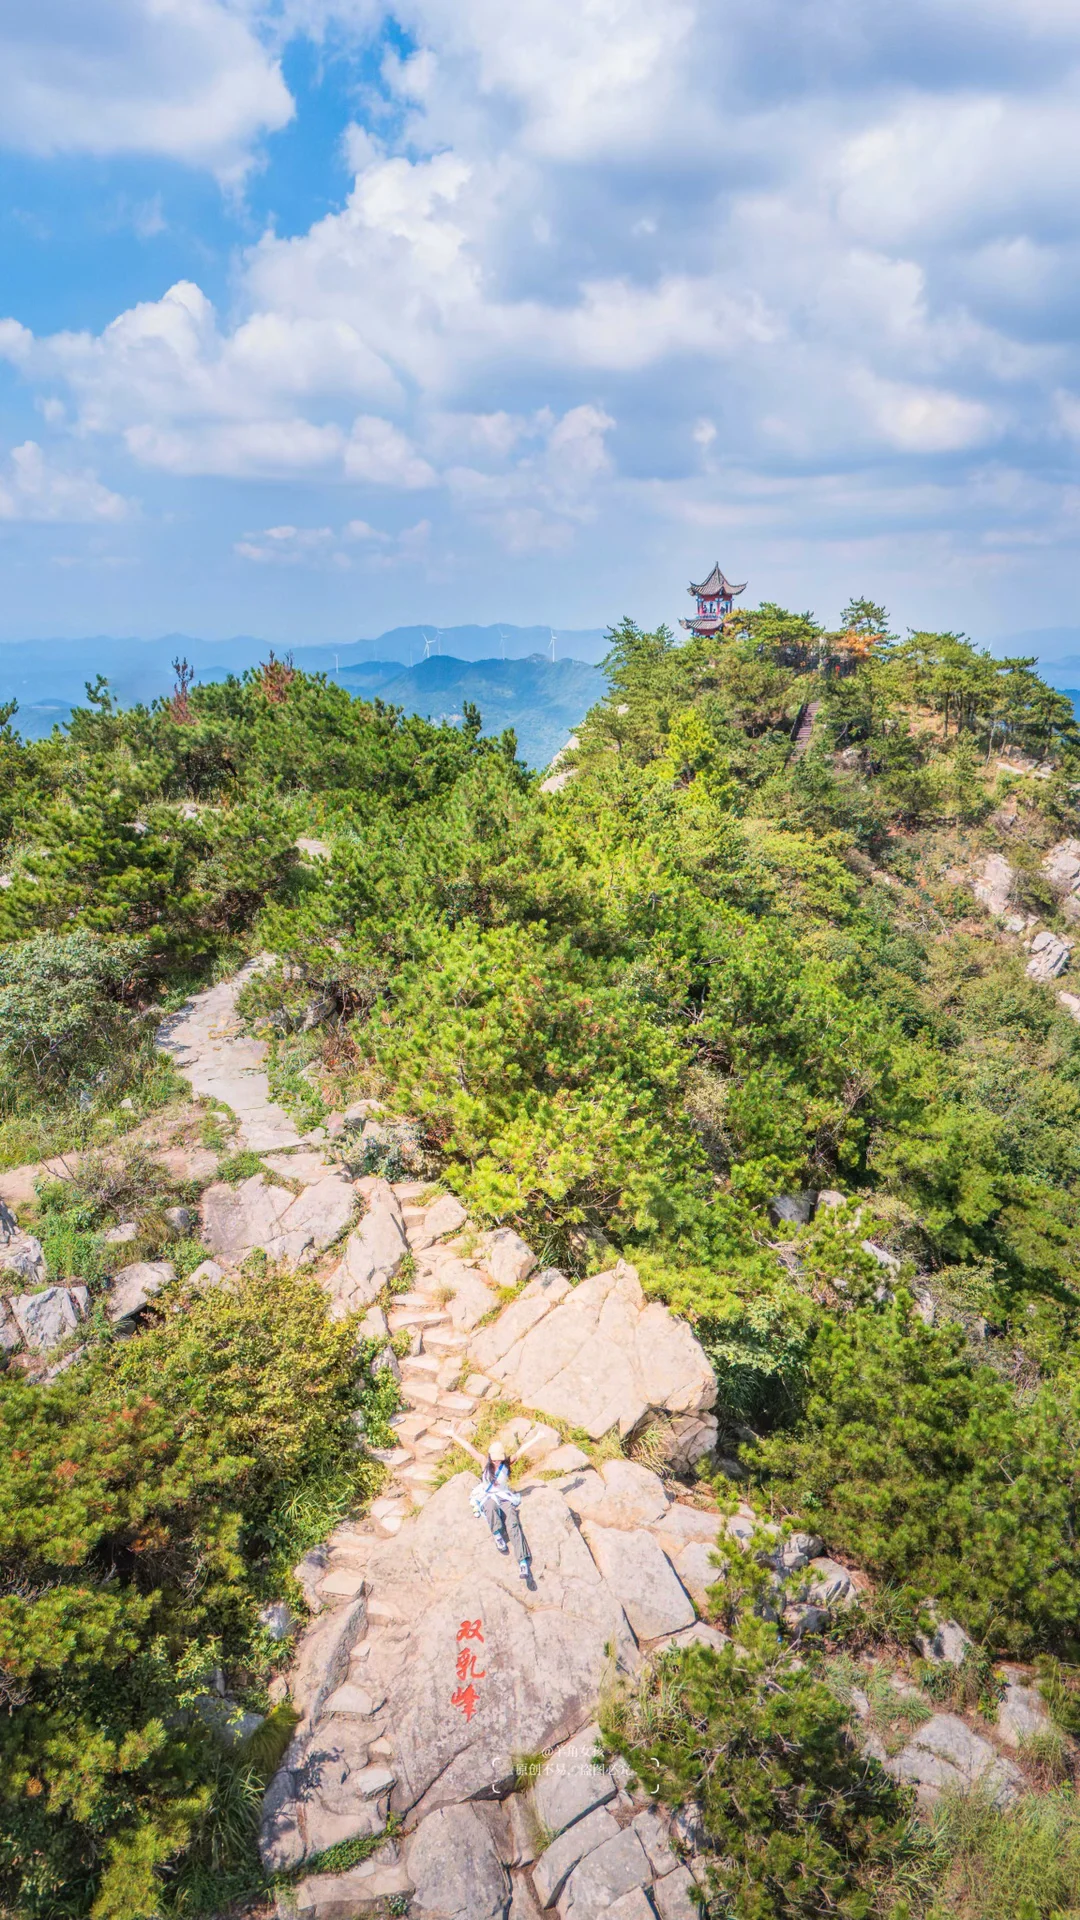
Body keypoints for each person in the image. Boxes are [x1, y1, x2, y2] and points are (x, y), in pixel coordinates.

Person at [470, 1440, 531, 1579]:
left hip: (504, 1496)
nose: (497, 1462)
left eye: (499, 1460)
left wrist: (538, 1437)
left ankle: (522, 1562)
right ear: (490, 1457)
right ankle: (497, 1534)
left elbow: (521, 1450)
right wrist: (453, 1435)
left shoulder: (506, 1463)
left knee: (513, 1523)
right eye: (495, 1460)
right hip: (488, 1495)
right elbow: (470, 1449)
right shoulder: (484, 1462)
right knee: (489, 1507)